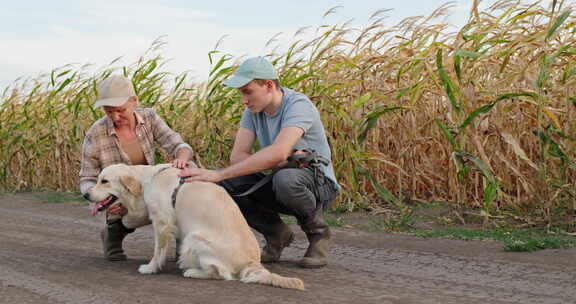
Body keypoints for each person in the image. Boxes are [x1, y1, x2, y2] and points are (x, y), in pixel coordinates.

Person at [179, 56, 340, 268]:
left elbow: (278, 152)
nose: (244, 99)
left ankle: (319, 234)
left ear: (269, 85)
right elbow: (238, 156)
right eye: (241, 93)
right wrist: (279, 160)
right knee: (228, 184)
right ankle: (277, 234)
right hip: (280, 176)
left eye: (248, 91)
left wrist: (277, 158)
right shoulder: (252, 111)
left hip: (318, 184)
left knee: (286, 179)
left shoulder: (298, 105)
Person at [80, 74, 195, 261]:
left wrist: (182, 159)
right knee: (144, 205)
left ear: (133, 102)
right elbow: (87, 178)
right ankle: (113, 232)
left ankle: (184, 239)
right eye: (109, 112)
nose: (115, 117)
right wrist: (101, 202)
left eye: (120, 110)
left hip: (148, 187)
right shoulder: (96, 133)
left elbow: (179, 145)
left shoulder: (149, 117)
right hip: (119, 197)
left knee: (190, 172)